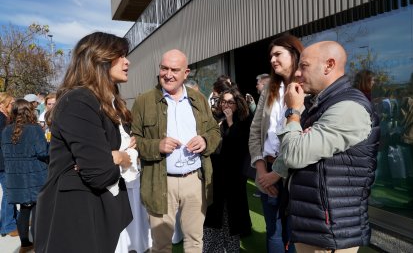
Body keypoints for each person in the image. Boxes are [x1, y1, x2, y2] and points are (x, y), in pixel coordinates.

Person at [258, 41, 380, 253]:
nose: (297, 73)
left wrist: (293, 111)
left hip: (329, 232)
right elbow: (292, 150)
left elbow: (294, 154)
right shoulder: (324, 103)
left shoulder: (348, 107)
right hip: (316, 225)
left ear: (329, 65)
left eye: (303, 66)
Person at [35, 32, 134, 253]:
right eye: (120, 55)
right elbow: (99, 173)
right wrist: (117, 156)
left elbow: (104, 162)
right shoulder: (78, 100)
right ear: (100, 59)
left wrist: (112, 157)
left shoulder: (102, 101)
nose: (127, 61)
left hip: (94, 209)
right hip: (75, 216)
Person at [131, 49, 221, 253]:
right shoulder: (143, 101)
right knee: (161, 245)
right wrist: (156, 146)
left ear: (186, 73)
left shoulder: (198, 99)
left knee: (194, 241)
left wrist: (205, 141)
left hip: (195, 181)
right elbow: (133, 139)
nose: (168, 74)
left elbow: (215, 130)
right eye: (164, 68)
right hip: (161, 182)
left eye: (174, 70)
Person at [249, 34, 304, 253]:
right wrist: (262, 169)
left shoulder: (306, 88)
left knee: (293, 233)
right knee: (273, 230)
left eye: (278, 54)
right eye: (271, 55)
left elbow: (306, 138)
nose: (272, 59)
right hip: (266, 170)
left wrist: (278, 173)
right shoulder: (270, 88)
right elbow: (255, 131)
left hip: (295, 173)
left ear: (294, 54)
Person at [203, 87, 252, 252]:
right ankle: (212, 249)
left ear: (237, 104)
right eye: (224, 101)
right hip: (214, 175)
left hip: (233, 177)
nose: (226, 105)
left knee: (231, 216)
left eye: (231, 102)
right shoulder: (213, 118)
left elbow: (240, 146)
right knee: (213, 215)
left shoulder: (243, 120)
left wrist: (230, 122)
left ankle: (231, 248)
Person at [2, 99, 49, 253]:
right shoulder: (34, 129)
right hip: (34, 175)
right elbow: (43, 152)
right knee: (37, 210)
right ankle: (39, 245)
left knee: (24, 209)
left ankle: (25, 244)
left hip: (15, 176)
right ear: (30, 111)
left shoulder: (6, 131)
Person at [0, 92, 18, 237]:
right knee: (9, 193)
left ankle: (15, 217)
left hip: (4, 161)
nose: (13, 106)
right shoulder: (1, 119)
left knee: (9, 191)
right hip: (3, 162)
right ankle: (8, 225)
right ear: (3, 104)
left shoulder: (5, 118)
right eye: (11, 103)